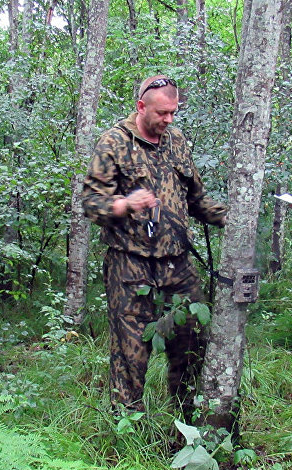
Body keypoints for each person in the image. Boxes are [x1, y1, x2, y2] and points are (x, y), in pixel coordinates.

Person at [82, 75, 227, 425]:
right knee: (131, 354)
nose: (169, 120)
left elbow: (197, 198)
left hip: (177, 265)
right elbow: (90, 203)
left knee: (192, 343)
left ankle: (188, 426)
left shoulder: (176, 141)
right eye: (162, 113)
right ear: (141, 107)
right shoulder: (114, 143)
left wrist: (233, 220)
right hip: (130, 266)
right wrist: (124, 205)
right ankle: (127, 432)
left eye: (174, 113)